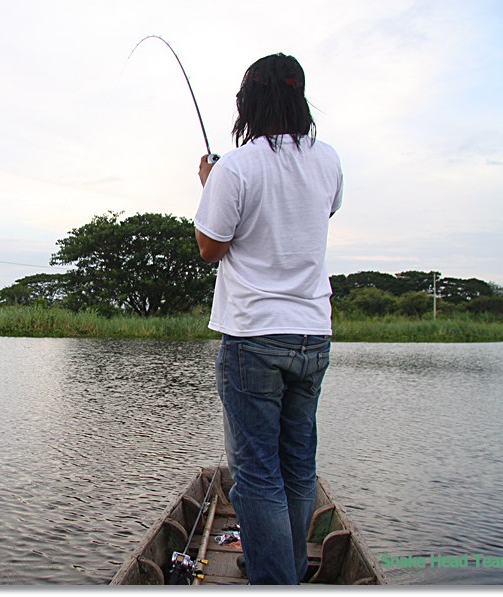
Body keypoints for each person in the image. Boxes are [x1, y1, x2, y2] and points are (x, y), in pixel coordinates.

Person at [193, 53, 343, 584]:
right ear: (299, 98)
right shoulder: (327, 160)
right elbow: (316, 212)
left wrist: (211, 184)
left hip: (254, 335)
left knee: (257, 475)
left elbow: (211, 246)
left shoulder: (236, 167)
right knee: (299, 466)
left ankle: (275, 582)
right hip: (313, 334)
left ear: (248, 104)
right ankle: (287, 569)